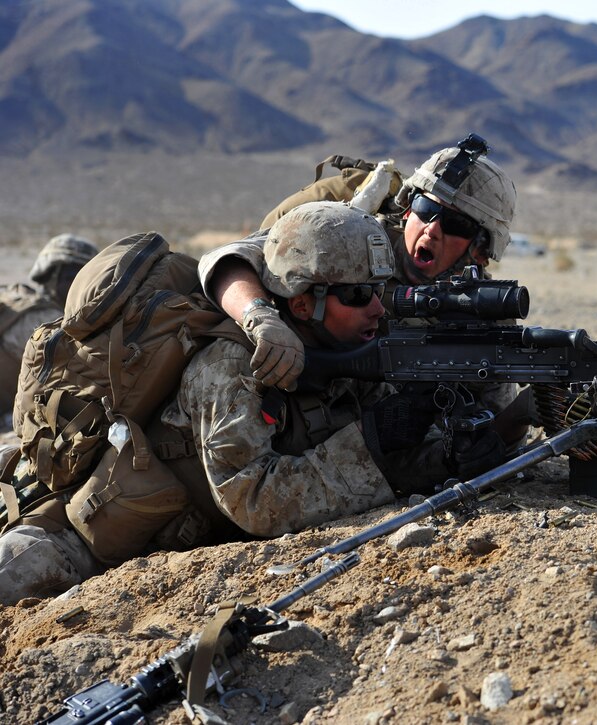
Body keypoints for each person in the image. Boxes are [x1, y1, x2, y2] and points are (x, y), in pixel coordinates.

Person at [0, 203, 487, 604]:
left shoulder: (344, 351)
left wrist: (442, 457)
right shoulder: (230, 364)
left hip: (187, 545)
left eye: (379, 290)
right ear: (303, 303)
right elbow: (255, 501)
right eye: (359, 294)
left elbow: (380, 457)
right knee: (16, 579)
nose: (378, 308)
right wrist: (375, 442)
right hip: (87, 538)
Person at [198, 135, 528, 445]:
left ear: (481, 249)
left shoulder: (484, 310)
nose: (432, 229)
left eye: (456, 224)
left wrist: (522, 415)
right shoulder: (355, 238)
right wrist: (261, 317)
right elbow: (228, 258)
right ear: (407, 208)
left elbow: (497, 432)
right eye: (426, 209)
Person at [0, 234, 98, 428]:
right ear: (50, 276)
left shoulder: (14, 295)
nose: (80, 285)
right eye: (72, 277)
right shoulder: (48, 320)